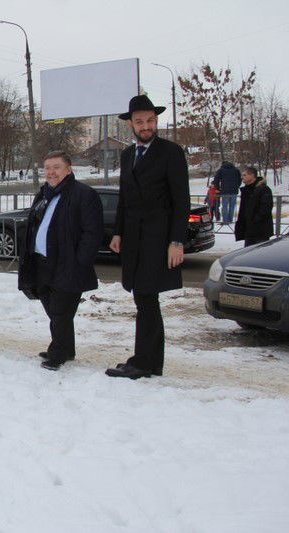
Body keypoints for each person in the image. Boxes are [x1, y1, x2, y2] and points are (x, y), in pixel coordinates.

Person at [106, 95, 190, 380]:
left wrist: (176, 241)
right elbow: (124, 197)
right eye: (140, 121)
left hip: (158, 238)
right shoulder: (128, 155)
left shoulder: (170, 152)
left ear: (156, 121)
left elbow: (181, 200)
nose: (146, 126)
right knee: (144, 299)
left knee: (146, 297)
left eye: (150, 120)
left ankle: (142, 362)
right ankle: (151, 362)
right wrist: (118, 231)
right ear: (130, 123)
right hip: (133, 238)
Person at [18, 151, 104, 371]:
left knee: (60, 310)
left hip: (68, 264)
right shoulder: (44, 195)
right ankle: (66, 348)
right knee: (53, 309)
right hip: (42, 262)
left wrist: (80, 261)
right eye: (47, 168)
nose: (51, 172)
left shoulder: (83, 194)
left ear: (68, 169)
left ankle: (58, 354)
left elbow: (92, 232)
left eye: (56, 167)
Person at [235, 166, 273, 247]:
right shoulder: (246, 190)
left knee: (260, 252)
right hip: (249, 230)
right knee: (248, 252)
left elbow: (266, 207)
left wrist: (255, 219)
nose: (242, 177)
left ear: (252, 175)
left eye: (244, 175)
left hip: (260, 230)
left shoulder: (263, 189)